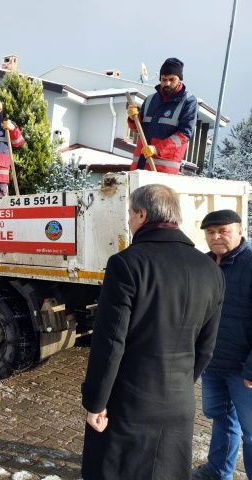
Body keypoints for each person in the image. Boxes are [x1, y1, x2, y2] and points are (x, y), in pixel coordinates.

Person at [80, 184, 225, 480]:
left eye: (131, 214)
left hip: (129, 404)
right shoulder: (211, 270)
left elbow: (110, 343)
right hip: (179, 403)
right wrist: (181, 383)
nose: (130, 221)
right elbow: (206, 347)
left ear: (143, 215)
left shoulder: (126, 264)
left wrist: (96, 402)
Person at [193, 209, 252, 480]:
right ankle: (217, 472)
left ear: (240, 231)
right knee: (222, 419)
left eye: (223, 231)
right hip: (213, 362)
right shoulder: (204, 264)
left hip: (244, 369)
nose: (216, 237)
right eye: (210, 232)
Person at [127, 57, 198, 174]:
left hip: (164, 170)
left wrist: (156, 149)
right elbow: (137, 129)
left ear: (180, 80)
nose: (167, 83)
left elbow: (184, 135)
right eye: (164, 79)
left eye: (172, 79)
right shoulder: (150, 100)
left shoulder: (188, 102)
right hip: (139, 166)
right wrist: (132, 118)